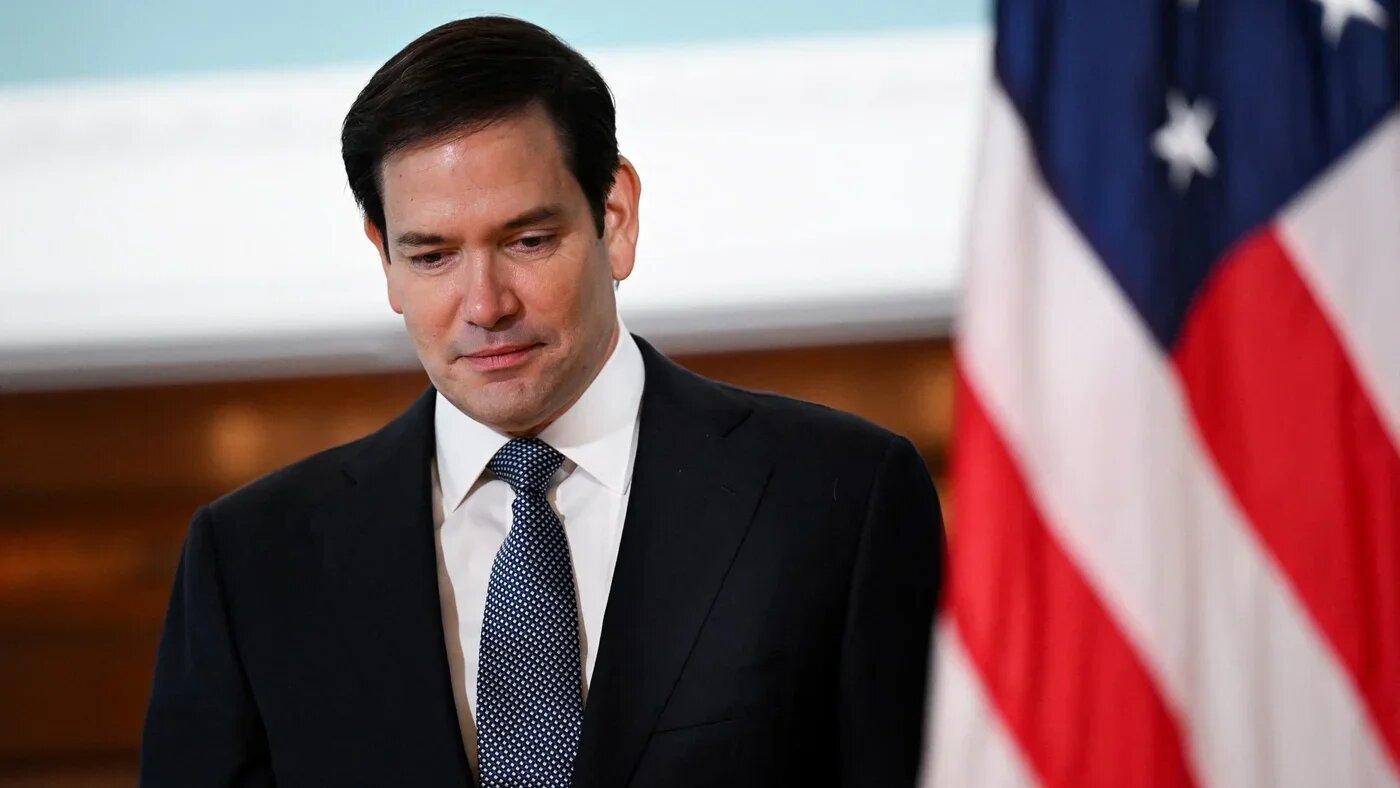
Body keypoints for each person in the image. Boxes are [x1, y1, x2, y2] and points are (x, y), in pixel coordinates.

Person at [140, 16, 944, 788]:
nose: (485, 304)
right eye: (432, 255)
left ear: (615, 218)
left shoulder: (839, 499)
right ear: (382, 258)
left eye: (527, 242)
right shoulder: (250, 561)